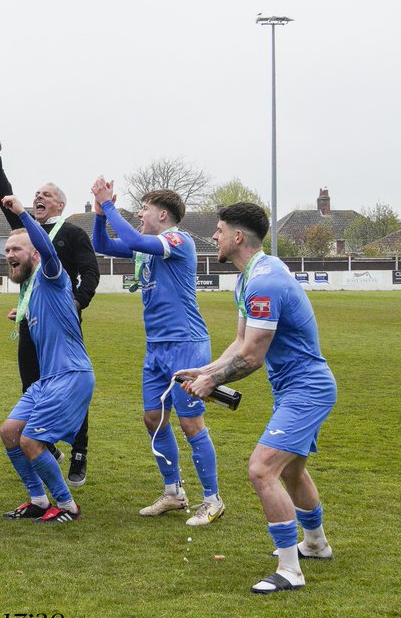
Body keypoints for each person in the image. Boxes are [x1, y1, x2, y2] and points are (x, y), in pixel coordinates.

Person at [177, 203, 337, 594]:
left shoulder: (264, 282)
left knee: (262, 469)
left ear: (236, 237)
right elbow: (239, 343)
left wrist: (211, 383)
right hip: (294, 389)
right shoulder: (250, 277)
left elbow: (252, 357)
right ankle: (315, 543)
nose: (212, 237)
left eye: (217, 230)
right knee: (291, 470)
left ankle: (290, 571)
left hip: (307, 389)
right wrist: (206, 371)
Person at [91, 178, 225, 527]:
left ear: (162, 214)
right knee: (153, 418)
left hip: (186, 345)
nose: (138, 213)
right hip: (157, 348)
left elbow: (133, 239)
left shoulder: (176, 239)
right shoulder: (150, 245)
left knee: (190, 423)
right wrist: (98, 213)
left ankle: (212, 499)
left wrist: (109, 205)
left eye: (144, 208)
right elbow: (101, 244)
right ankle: (174, 493)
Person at [0, 138, 98, 486]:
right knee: (31, 386)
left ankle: (78, 451)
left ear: (60, 204)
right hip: (31, 322)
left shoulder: (72, 233)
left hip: (63, 324)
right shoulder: (24, 235)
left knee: (68, 386)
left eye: (46, 195)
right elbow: (6, 200)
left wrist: (75, 303)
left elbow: (91, 272)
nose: (39, 198)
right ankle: (43, 444)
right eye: (36, 194)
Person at [0, 195, 94, 523]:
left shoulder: (51, 275)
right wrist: (22, 315)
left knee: (31, 440)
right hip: (48, 380)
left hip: (70, 376)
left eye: (16, 250)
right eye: (7, 250)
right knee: (10, 432)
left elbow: (50, 253)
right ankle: (38, 500)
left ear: (35, 253)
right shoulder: (33, 292)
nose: (10, 255)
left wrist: (23, 214)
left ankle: (67, 506)